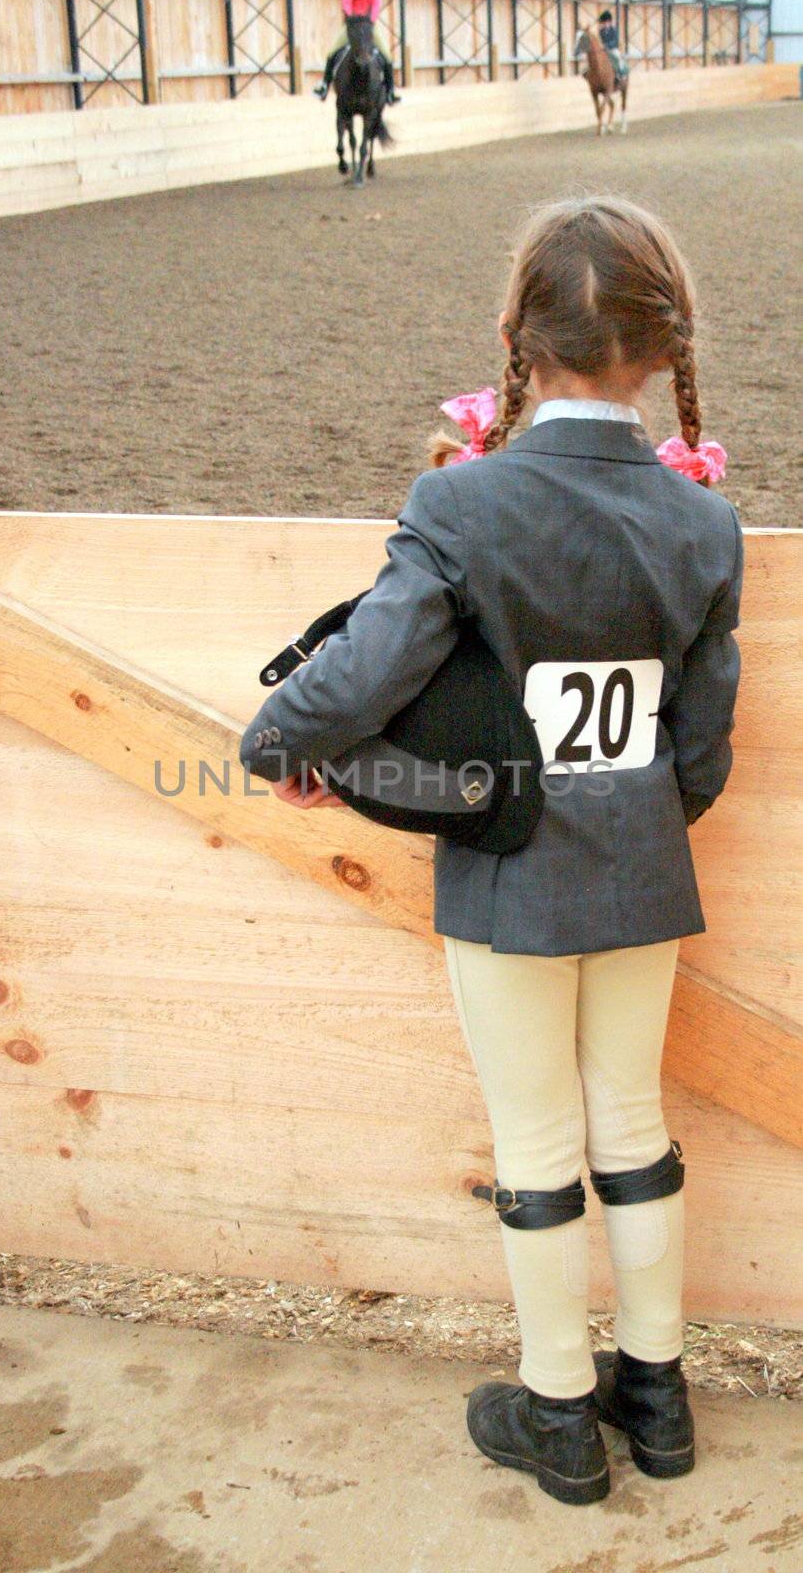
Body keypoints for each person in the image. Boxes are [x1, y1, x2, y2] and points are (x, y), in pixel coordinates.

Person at [240, 196, 743, 1507]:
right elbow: (700, 753)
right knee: (631, 1125)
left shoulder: (462, 502)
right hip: (640, 875)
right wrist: (623, 822)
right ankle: (661, 1397)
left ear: (518, 341)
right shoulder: (704, 524)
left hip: (511, 877)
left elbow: (362, 677)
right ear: (658, 348)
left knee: (535, 1138)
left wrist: (278, 742)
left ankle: (561, 1413)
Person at [314, 0, 401, 105]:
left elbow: (376, 4)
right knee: (332, 52)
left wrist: (370, 21)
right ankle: (324, 86)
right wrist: (351, 19)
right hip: (352, 24)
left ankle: (390, 91)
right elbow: (346, 1)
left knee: (387, 55)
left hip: (368, 25)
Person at [597, 9, 627, 79]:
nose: (605, 24)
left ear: (609, 22)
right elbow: (601, 41)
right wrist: (601, 46)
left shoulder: (613, 30)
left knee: (617, 57)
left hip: (613, 49)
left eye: (606, 22)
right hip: (604, 50)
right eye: (603, 23)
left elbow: (615, 41)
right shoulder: (601, 31)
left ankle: (621, 73)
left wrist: (607, 45)